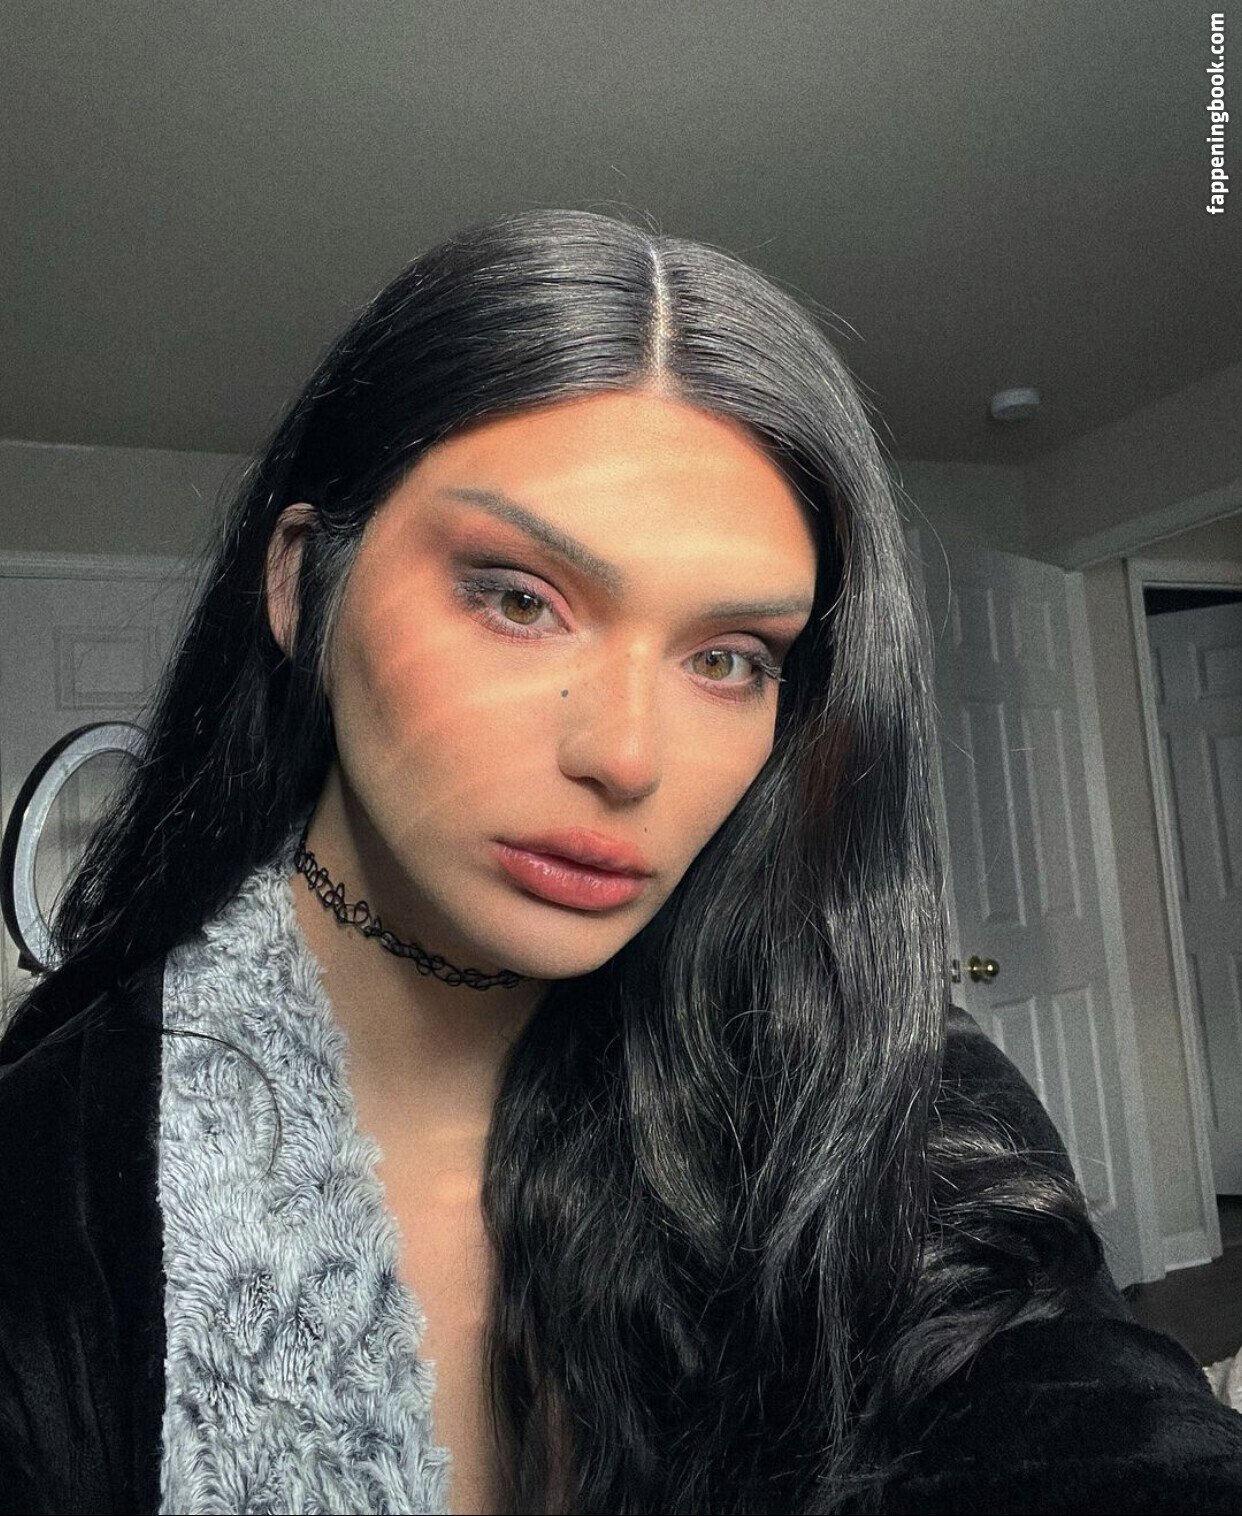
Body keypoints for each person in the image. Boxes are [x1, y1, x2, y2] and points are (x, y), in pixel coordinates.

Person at [1, 208, 1240, 1516]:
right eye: (519, 599)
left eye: (728, 658)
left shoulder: (865, 1076)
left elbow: (1075, 1406)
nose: (628, 757)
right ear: (305, 584)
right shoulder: (52, 1181)